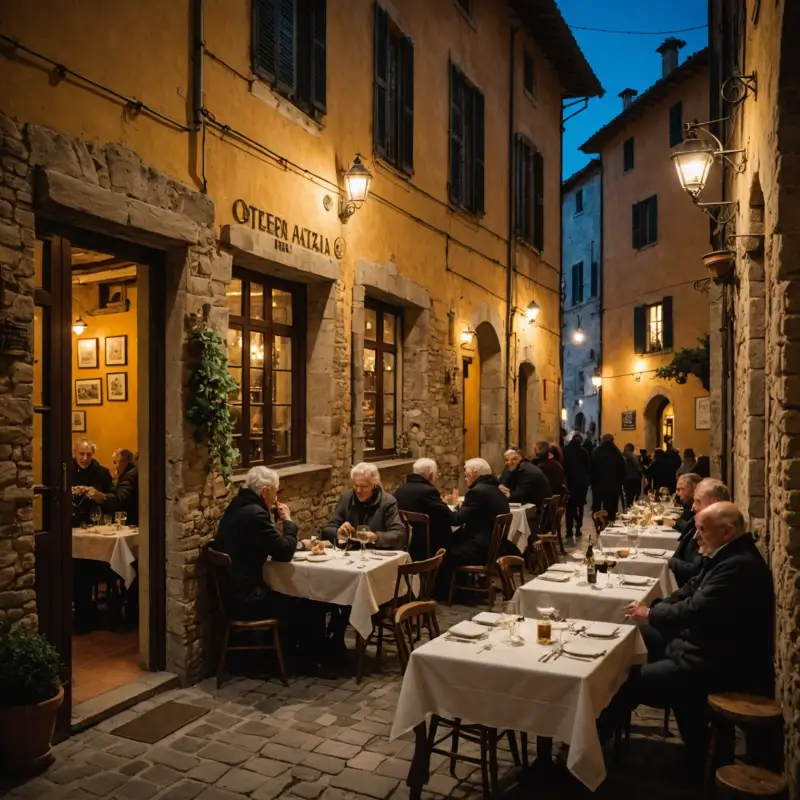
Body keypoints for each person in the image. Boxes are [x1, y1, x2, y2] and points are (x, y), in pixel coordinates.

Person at [608, 502, 773, 763]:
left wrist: (652, 613)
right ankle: (693, 743)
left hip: (717, 663)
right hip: (703, 646)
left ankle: (600, 743)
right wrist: (656, 608)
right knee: (641, 634)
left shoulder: (737, 566)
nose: (696, 537)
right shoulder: (725, 555)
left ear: (727, 531)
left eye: (702, 530)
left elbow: (696, 609)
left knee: (623, 681)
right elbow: (689, 590)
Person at [211, 466, 328, 673]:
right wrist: (288, 522)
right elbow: (282, 552)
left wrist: (300, 544)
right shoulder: (255, 514)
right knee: (311, 601)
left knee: (297, 597)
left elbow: (266, 543)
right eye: (276, 491)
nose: (277, 497)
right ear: (265, 491)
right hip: (246, 599)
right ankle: (311, 660)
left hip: (232, 592)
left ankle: (289, 651)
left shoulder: (238, 505)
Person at [438, 458, 515, 595]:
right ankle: (461, 585)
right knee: (452, 541)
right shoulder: (496, 490)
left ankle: (445, 593)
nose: (465, 476)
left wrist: (441, 505)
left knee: (442, 553)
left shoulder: (477, 492)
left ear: (475, 473)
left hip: (480, 548)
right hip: (495, 546)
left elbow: (456, 519)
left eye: (466, 473)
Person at [322, 463, 407, 549]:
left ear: (374, 485)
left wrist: (375, 537)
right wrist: (339, 532)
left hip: (377, 553)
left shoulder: (388, 502)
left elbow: (399, 534)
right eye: (356, 485)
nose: (358, 490)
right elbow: (328, 529)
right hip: (352, 553)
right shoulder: (346, 499)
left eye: (364, 486)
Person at [669, 477, 730, 587]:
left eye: (698, 501)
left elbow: (695, 571)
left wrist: (670, 562)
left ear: (714, 504)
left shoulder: (717, 533)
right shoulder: (697, 523)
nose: (693, 508)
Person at [393, 458, 457, 559]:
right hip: (428, 547)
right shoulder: (429, 491)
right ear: (431, 475)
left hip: (406, 545)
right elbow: (449, 517)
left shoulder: (400, 489)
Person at [86, 448, 138, 525]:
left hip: (129, 521)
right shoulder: (128, 474)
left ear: (124, 461)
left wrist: (102, 497)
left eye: (117, 462)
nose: (116, 466)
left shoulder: (129, 475)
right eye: (114, 463)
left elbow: (121, 499)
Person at [71, 439, 113, 526]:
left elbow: (114, 499)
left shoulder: (103, 472)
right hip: (69, 524)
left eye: (89, 454)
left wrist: (100, 496)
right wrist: (70, 492)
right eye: (81, 454)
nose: (85, 458)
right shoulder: (64, 471)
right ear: (74, 453)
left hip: (96, 522)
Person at [590, 434, 625, 521]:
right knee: (611, 509)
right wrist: (620, 483)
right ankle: (610, 524)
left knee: (597, 508)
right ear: (612, 441)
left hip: (598, 485)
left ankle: (598, 525)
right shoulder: (617, 452)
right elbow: (622, 468)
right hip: (613, 486)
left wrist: (592, 482)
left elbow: (591, 468)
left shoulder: (596, 452)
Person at [563, 431, 591, 539]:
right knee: (579, 505)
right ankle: (578, 527)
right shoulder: (583, 451)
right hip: (581, 484)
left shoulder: (565, 451)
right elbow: (588, 467)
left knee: (570, 507)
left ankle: (569, 530)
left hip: (570, 483)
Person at [622, 443, 643, 510]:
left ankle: (630, 510)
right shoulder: (632, 457)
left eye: (626, 449)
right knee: (631, 498)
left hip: (630, 480)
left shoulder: (631, 457)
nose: (624, 451)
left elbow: (638, 468)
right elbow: (639, 469)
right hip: (632, 480)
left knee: (629, 498)